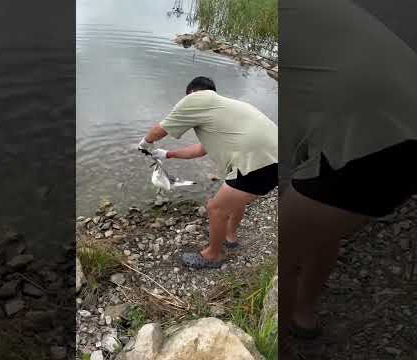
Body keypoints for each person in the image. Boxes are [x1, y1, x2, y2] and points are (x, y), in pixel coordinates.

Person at [279, 0, 417, 358]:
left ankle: (269, 343)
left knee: (276, 250)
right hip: (401, 116)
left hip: (377, 141)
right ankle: (303, 316)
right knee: (315, 222)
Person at [138, 76, 278, 269]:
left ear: (192, 93)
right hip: (275, 159)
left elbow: (159, 130)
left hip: (255, 162)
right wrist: (168, 154)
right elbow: (200, 150)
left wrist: (145, 143)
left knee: (215, 208)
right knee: (237, 200)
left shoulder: (196, 99)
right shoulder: (225, 109)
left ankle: (213, 255)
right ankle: (230, 237)